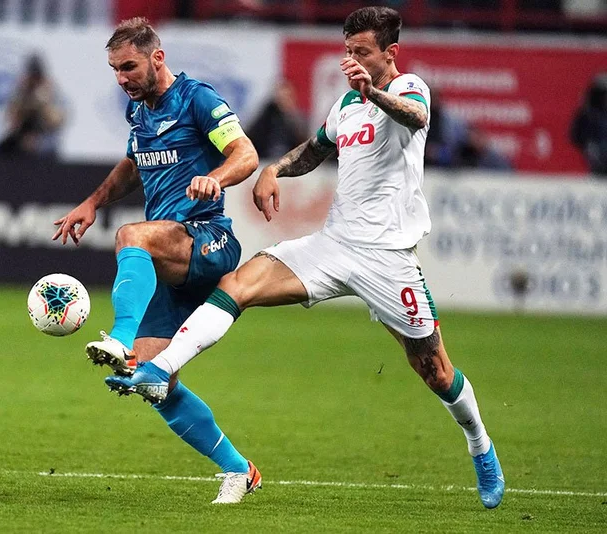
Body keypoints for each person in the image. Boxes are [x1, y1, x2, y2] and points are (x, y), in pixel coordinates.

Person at [106, 6, 505, 510]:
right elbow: (315, 150)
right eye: (348, 50)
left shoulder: (409, 89)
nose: (351, 59)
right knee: (236, 286)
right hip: (333, 245)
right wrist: (274, 170)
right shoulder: (346, 106)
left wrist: (373, 91)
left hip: (388, 258)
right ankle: (159, 369)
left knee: (435, 371)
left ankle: (480, 445)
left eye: (362, 52)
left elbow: (416, 118)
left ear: (390, 53)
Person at [52, 18, 261, 504]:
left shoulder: (197, 98)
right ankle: (240, 470)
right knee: (154, 382)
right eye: (114, 69)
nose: (121, 78)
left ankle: (120, 338)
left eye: (128, 66)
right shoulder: (138, 111)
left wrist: (217, 178)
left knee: (131, 236)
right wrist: (92, 202)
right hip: (170, 256)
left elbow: (246, 154)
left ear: (157, 58)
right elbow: (133, 164)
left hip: (208, 239)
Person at [0, 54, 65, 159]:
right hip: (21, 137)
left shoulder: (53, 93)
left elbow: (56, 120)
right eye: (32, 77)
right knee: (1, 149)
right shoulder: (20, 92)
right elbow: (12, 120)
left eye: (37, 77)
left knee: (43, 147)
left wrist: (43, 102)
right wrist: (25, 99)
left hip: (44, 137)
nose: (34, 81)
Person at [247, 79, 309, 159]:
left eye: (287, 96)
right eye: (282, 96)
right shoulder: (266, 117)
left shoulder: (297, 119)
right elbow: (253, 136)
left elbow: (304, 143)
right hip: (265, 159)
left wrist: (291, 116)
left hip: (289, 159)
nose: (284, 100)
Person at [570, 73, 607, 176]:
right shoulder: (587, 115)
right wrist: (589, 146)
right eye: (603, 95)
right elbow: (576, 135)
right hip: (598, 164)